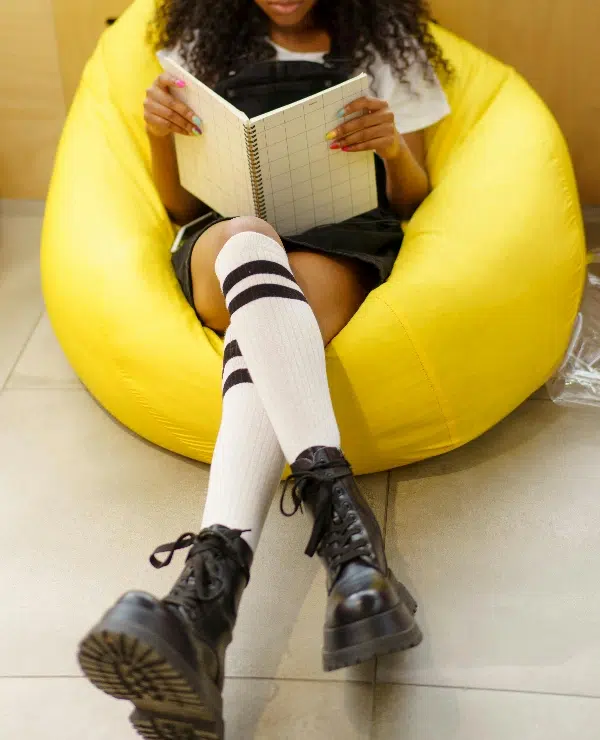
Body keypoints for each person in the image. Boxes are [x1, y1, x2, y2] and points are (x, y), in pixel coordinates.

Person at [77, 1, 451, 738]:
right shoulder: (195, 40)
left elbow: (415, 196)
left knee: (270, 329)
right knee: (250, 240)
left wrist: (392, 151)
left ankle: (201, 612)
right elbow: (179, 202)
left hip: (337, 238)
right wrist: (159, 134)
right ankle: (349, 543)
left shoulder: (389, 43)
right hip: (226, 237)